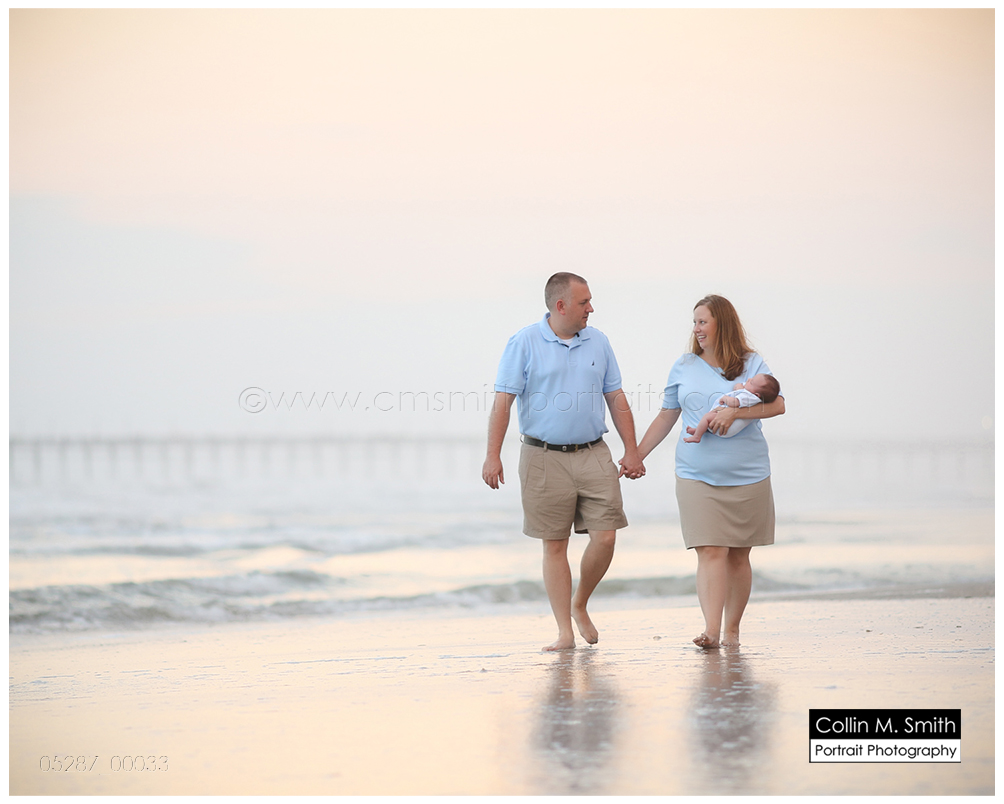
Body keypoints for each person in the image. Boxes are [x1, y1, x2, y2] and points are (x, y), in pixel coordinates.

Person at [482, 272, 645, 651]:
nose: (591, 308)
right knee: (554, 545)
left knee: (605, 537)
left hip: (593, 453)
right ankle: (564, 632)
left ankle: (580, 602)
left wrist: (632, 449)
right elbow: (503, 402)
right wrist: (493, 455)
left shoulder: (599, 341)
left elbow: (616, 397)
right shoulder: (524, 342)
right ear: (561, 306)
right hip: (542, 456)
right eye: (584, 302)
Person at [637, 295, 785, 649]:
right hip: (695, 472)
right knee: (710, 550)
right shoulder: (684, 365)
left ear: (722, 323)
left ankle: (732, 630)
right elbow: (666, 416)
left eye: (703, 322)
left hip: (748, 472)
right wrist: (636, 455)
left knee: (738, 554)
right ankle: (711, 631)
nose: (697, 329)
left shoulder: (752, 363)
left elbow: (778, 404)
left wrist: (735, 413)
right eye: (694, 323)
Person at [683, 374, 781, 443]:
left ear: (757, 394)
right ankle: (700, 430)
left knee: (707, 417)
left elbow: (735, 402)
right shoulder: (751, 397)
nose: (749, 379)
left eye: (751, 383)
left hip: (726, 427)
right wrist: (739, 388)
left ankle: (697, 436)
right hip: (727, 428)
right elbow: (741, 396)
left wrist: (725, 399)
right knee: (710, 420)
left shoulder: (750, 397)